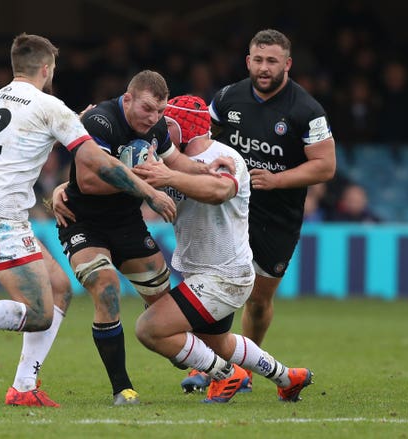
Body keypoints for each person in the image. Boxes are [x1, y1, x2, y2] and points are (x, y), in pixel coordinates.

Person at [0, 34, 176, 408]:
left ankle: (23, 386)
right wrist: (150, 192)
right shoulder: (49, 106)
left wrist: (75, 124)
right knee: (37, 314)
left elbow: (22, 143)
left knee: (60, 288)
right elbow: (100, 163)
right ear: (47, 69)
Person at [51, 70, 232, 406]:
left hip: (127, 224)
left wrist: (207, 170)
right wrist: (149, 188)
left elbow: (175, 161)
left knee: (163, 308)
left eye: (161, 111)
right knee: (106, 287)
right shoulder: (99, 121)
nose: (154, 118)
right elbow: (89, 183)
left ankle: (202, 365)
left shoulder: (156, 128)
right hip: (82, 222)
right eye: (148, 109)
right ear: (129, 98)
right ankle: (123, 388)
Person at [181, 29, 335, 392]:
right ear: (248, 61)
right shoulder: (227, 97)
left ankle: (247, 364)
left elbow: (325, 166)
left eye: (273, 61)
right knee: (215, 285)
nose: (264, 68)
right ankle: (212, 366)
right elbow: (198, 135)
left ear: (287, 64)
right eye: (259, 60)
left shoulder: (307, 111)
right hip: (231, 209)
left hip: (276, 217)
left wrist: (277, 180)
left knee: (259, 300)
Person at [133, 94, 313, 404]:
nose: (159, 129)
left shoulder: (226, 158)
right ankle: (287, 377)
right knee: (219, 344)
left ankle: (228, 375)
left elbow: (219, 191)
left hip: (224, 276)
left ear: (183, 128)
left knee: (150, 329)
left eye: (167, 123)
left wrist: (168, 176)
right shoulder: (168, 161)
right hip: (200, 273)